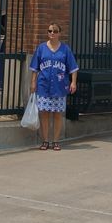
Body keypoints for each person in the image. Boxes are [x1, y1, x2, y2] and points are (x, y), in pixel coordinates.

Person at [29, 22, 78, 151]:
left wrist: (73, 82)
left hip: (60, 86)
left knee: (57, 114)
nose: (52, 33)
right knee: (44, 113)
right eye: (50, 31)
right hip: (43, 85)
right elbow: (35, 68)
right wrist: (33, 82)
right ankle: (45, 141)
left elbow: (73, 68)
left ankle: (56, 141)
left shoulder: (65, 49)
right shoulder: (41, 48)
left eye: (55, 31)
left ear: (59, 34)